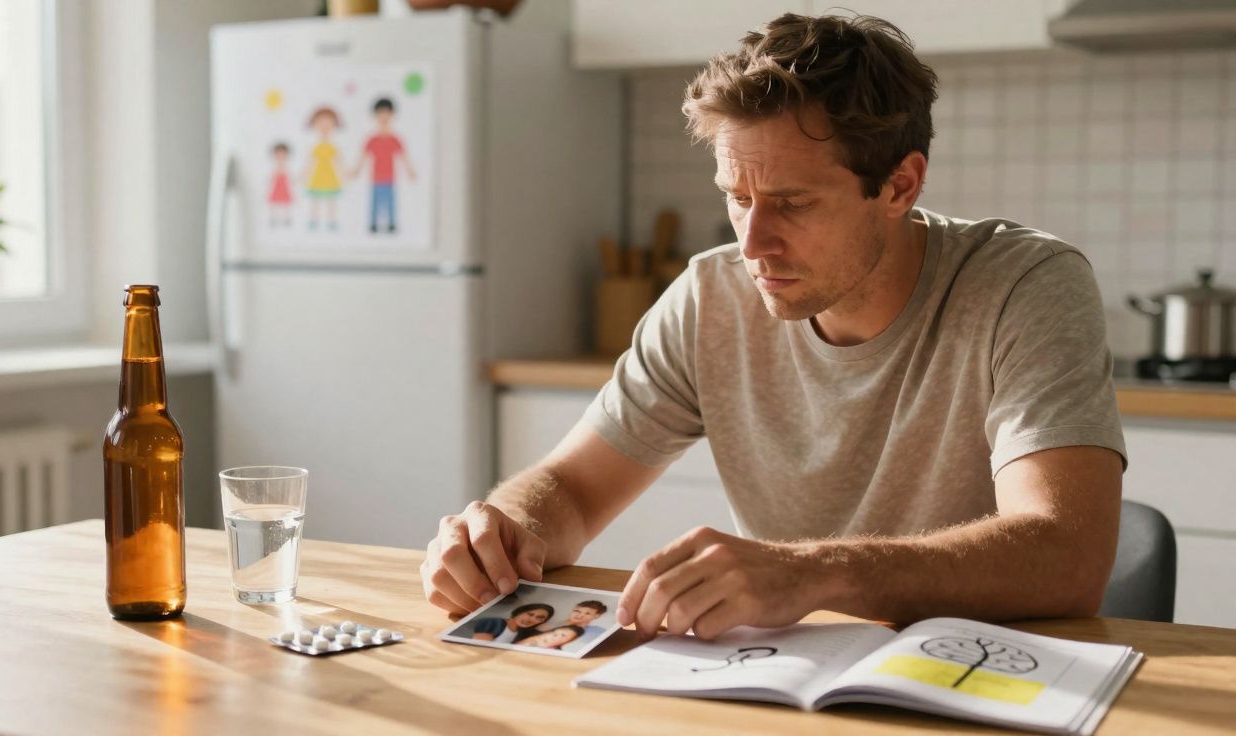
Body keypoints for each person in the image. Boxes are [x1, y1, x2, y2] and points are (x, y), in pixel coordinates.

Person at [420, 13, 1126, 641]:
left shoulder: (1025, 284)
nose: (753, 243)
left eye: (791, 202)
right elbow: (570, 491)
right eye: (737, 197)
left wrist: (815, 572)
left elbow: (1066, 555)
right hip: (785, 679)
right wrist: (506, 530)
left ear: (900, 186)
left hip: (982, 681)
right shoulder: (709, 296)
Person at [350, 97, 416, 233]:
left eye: (387, 113)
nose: (384, 117)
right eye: (381, 113)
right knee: (375, 202)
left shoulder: (395, 139)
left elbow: (403, 156)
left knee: (390, 202)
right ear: (375, 116)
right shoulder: (372, 139)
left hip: (390, 178)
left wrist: (410, 171)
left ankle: (391, 223)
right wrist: (356, 170)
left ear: (392, 115)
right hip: (375, 178)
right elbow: (364, 157)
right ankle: (373, 224)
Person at [303, 106, 344, 230]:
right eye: (321, 122)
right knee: (315, 200)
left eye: (328, 122)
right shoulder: (315, 147)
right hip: (318, 176)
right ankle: (314, 220)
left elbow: (339, 162)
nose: (324, 126)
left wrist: (346, 174)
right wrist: (304, 175)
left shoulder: (333, 147)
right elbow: (310, 163)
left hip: (330, 176)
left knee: (331, 200)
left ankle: (332, 221)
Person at [457, 603, 554, 644]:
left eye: (539, 618)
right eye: (530, 614)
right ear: (520, 611)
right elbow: (479, 647)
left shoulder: (521, 633)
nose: (531, 619)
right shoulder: (493, 622)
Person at [516, 625, 585, 651]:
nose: (554, 636)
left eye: (563, 635)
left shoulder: (555, 652)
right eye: (554, 633)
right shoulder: (531, 634)